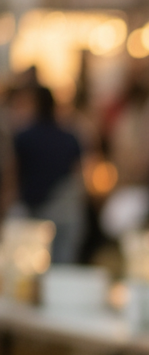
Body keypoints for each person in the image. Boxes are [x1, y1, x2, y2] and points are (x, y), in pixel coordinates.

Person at [11, 83, 85, 264]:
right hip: (66, 210)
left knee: (32, 270)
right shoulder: (70, 137)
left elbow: (12, 176)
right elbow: (79, 175)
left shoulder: (24, 137)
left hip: (36, 214)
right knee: (63, 270)